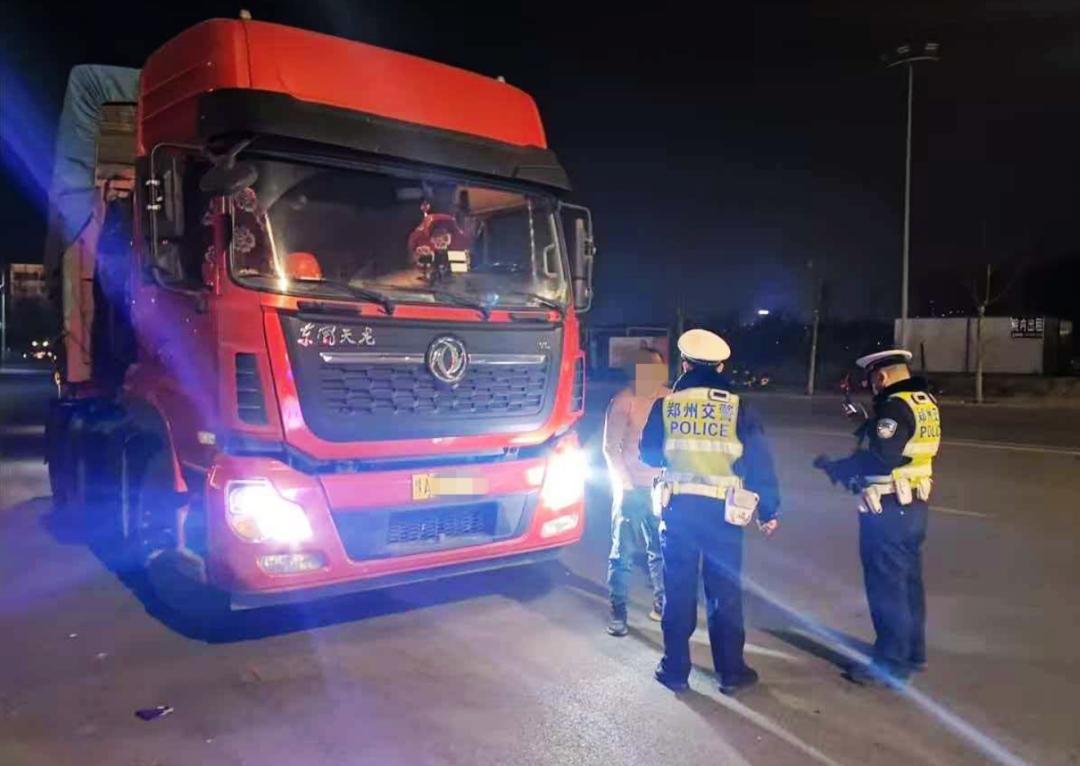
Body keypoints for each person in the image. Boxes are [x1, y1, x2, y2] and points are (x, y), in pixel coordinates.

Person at [640, 329, 781, 695]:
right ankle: (731, 673)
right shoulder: (738, 407)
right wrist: (768, 510)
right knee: (724, 593)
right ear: (720, 367)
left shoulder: (667, 405)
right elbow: (760, 463)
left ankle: (674, 670)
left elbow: (649, 455)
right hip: (724, 514)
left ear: (685, 365)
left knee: (678, 590)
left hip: (679, 510)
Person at [814, 349, 941, 687]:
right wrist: (866, 422)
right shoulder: (923, 401)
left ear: (882, 377)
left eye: (871, 380)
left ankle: (889, 663)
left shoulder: (894, 406)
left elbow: (884, 457)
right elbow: (903, 441)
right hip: (913, 506)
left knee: (886, 588)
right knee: (908, 584)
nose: (871, 386)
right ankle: (913, 653)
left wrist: (841, 468)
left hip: (888, 509)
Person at [603, 347, 669, 637]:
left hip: (661, 489)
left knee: (661, 551)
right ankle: (618, 611)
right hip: (631, 489)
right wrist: (626, 486)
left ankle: (662, 605)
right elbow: (610, 448)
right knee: (623, 555)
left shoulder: (670, 399)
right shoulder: (623, 402)